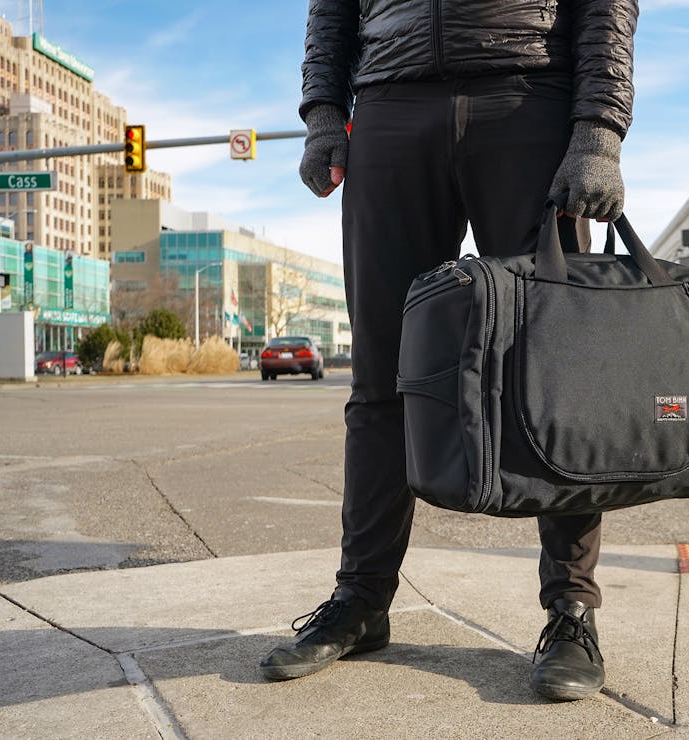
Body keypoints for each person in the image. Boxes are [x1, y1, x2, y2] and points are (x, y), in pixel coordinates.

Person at [260, 0, 638, 702]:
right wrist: (322, 114)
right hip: (388, 106)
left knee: (552, 376)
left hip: (527, 94)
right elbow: (331, 8)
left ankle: (571, 611)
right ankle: (362, 601)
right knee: (380, 378)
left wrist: (599, 131)